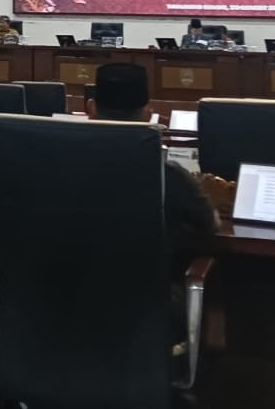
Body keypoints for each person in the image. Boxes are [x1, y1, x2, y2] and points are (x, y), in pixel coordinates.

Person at [87, 64, 216, 332]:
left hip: (60, 310)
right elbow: (210, 226)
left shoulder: (56, 167)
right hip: (147, 316)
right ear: (148, 114)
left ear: (90, 109)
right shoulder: (169, 175)